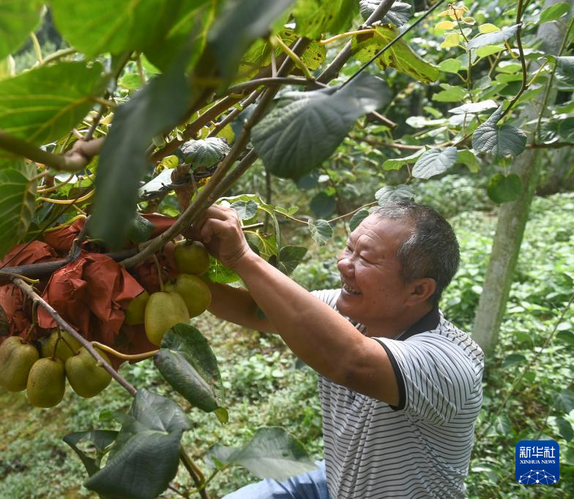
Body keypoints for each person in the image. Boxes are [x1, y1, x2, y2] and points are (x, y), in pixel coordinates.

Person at [192, 201, 485, 499]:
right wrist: (177, 273)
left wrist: (242, 257)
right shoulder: (351, 310)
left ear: (418, 290)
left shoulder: (450, 362)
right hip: (332, 483)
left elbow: (350, 361)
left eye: (366, 259)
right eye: (349, 249)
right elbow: (259, 309)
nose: (343, 264)